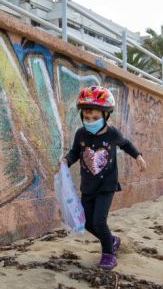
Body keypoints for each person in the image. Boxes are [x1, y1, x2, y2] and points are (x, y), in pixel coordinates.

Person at [63, 86, 147, 270]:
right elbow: (75, 153)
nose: (90, 121)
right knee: (86, 222)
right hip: (88, 187)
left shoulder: (112, 133)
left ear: (106, 116)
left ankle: (108, 253)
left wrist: (138, 156)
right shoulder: (81, 134)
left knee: (99, 221)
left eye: (95, 118)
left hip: (106, 186)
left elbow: (126, 144)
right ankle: (111, 240)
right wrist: (66, 161)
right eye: (86, 118)